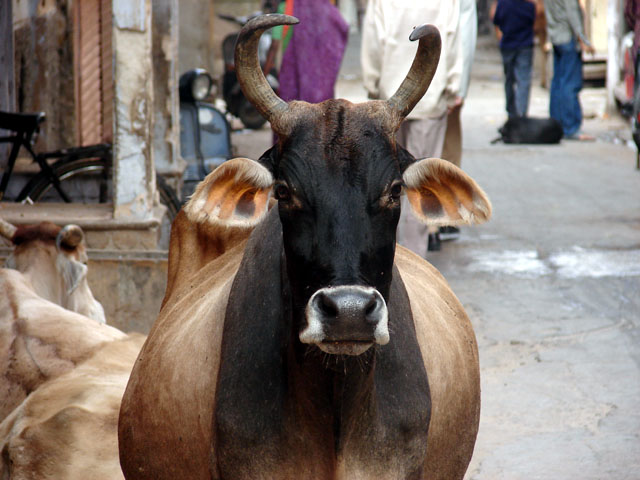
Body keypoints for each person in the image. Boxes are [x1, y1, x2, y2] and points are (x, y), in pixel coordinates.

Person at [361, 0, 462, 257]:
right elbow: (452, 42)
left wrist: (373, 86)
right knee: (421, 185)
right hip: (430, 98)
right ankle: (415, 259)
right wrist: (454, 87)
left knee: (386, 185)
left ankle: (388, 258)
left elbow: (373, 41)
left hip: (388, 100)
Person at [439, 0, 478, 244]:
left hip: (441, 75)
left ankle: (441, 217)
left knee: (443, 146)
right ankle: (442, 218)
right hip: (445, 75)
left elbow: (465, 27)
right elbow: (466, 28)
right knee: (445, 146)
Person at [543, 0, 595, 140]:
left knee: (558, 82)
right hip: (567, 37)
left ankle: (556, 124)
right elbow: (572, 13)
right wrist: (583, 39)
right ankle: (570, 127)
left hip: (556, 36)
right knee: (570, 83)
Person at [492, 0, 536, 119]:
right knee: (523, 80)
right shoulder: (529, 6)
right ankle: (521, 113)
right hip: (525, 45)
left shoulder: (503, 4)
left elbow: (496, 21)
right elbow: (534, 23)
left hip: (508, 45)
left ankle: (511, 113)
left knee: (509, 80)